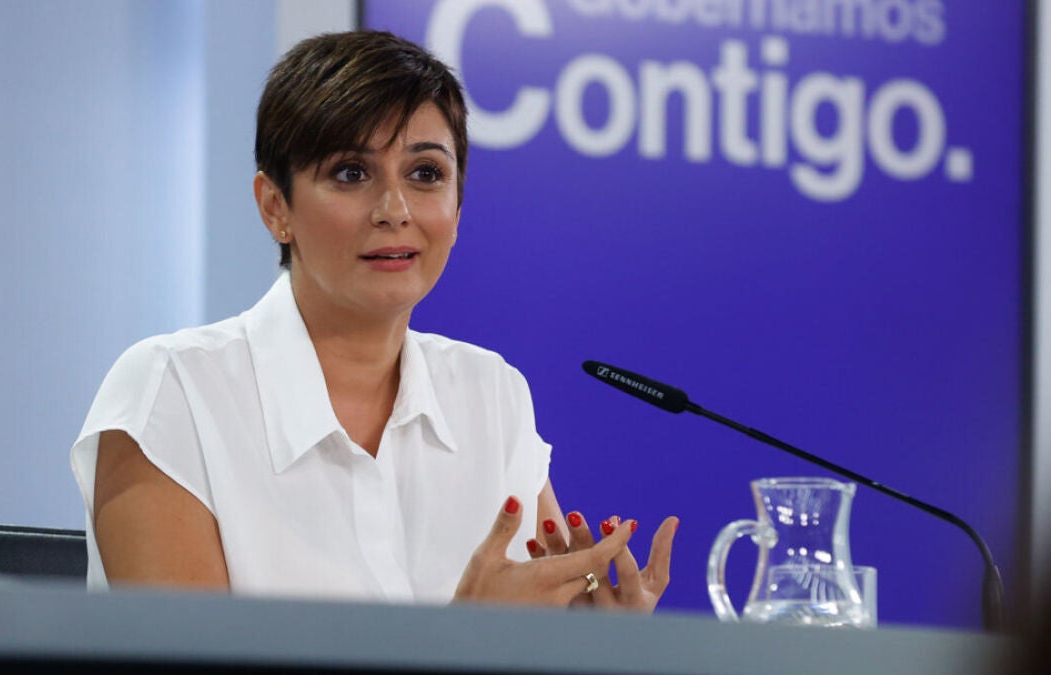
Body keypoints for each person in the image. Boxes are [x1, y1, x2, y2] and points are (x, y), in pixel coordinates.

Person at [70, 29, 678, 609]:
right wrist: (465, 639)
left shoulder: (492, 394)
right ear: (275, 206)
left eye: (426, 174)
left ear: (458, 207)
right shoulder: (171, 393)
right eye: (351, 173)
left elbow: (536, 636)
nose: (395, 209)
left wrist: (591, 643)